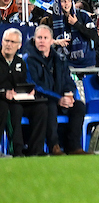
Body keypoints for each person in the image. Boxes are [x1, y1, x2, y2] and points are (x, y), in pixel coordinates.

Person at [23, 24, 86, 155]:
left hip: (60, 99)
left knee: (79, 106)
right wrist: (58, 99)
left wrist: (69, 94)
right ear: (34, 39)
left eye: (45, 37)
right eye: (39, 37)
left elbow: (69, 80)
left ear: (52, 41)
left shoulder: (59, 59)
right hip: (41, 101)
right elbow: (34, 85)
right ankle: (54, 146)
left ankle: (74, 147)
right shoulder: (28, 59)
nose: (42, 40)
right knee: (49, 105)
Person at [0, 28, 43, 157]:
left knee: (41, 108)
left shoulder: (20, 63)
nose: (9, 44)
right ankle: (16, 151)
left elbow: (23, 84)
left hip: (16, 100)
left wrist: (28, 91)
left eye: (13, 42)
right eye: (6, 40)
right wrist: (3, 93)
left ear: (19, 45)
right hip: (2, 99)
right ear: (1, 42)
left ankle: (35, 151)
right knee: (6, 108)